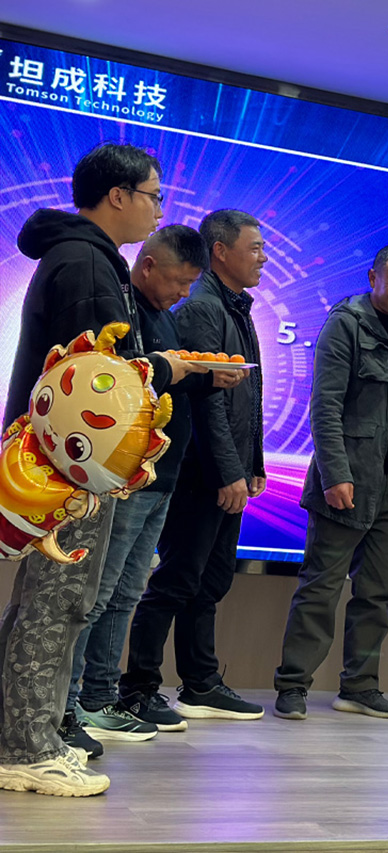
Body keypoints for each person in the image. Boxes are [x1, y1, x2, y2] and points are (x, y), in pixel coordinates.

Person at [0, 143, 203, 797]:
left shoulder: (84, 258)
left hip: (63, 464)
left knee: (45, 603)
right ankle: (25, 748)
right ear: (118, 196)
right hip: (73, 469)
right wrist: (166, 368)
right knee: (56, 604)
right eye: (153, 195)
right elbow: (99, 387)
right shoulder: (87, 264)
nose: (159, 209)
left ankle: (22, 734)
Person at [65, 226, 245, 747]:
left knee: (126, 593)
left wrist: (204, 376)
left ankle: (100, 696)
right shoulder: (120, 310)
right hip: (125, 476)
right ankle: (72, 703)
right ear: (147, 266)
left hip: (161, 474)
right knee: (98, 594)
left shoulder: (165, 315)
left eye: (190, 284)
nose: (183, 294)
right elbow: (119, 384)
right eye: (178, 282)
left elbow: (164, 382)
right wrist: (175, 370)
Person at [273, 244, 388, 721]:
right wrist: (335, 474)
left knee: (377, 593)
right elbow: (324, 405)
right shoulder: (346, 323)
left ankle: (360, 687)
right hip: (348, 481)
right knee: (320, 588)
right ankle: (293, 686)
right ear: (372, 278)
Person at [120, 209, 268, 722]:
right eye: (254, 248)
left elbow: (246, 394)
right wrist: (228, 472)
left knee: (209, 581)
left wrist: (252, 463)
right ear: (220, 251)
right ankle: (138, 686)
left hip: (228, 470)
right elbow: (205, 402)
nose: (263, 258)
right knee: (176, 581)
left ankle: (200, 682)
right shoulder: (203, 307)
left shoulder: (235, 306)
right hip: (200, 471)